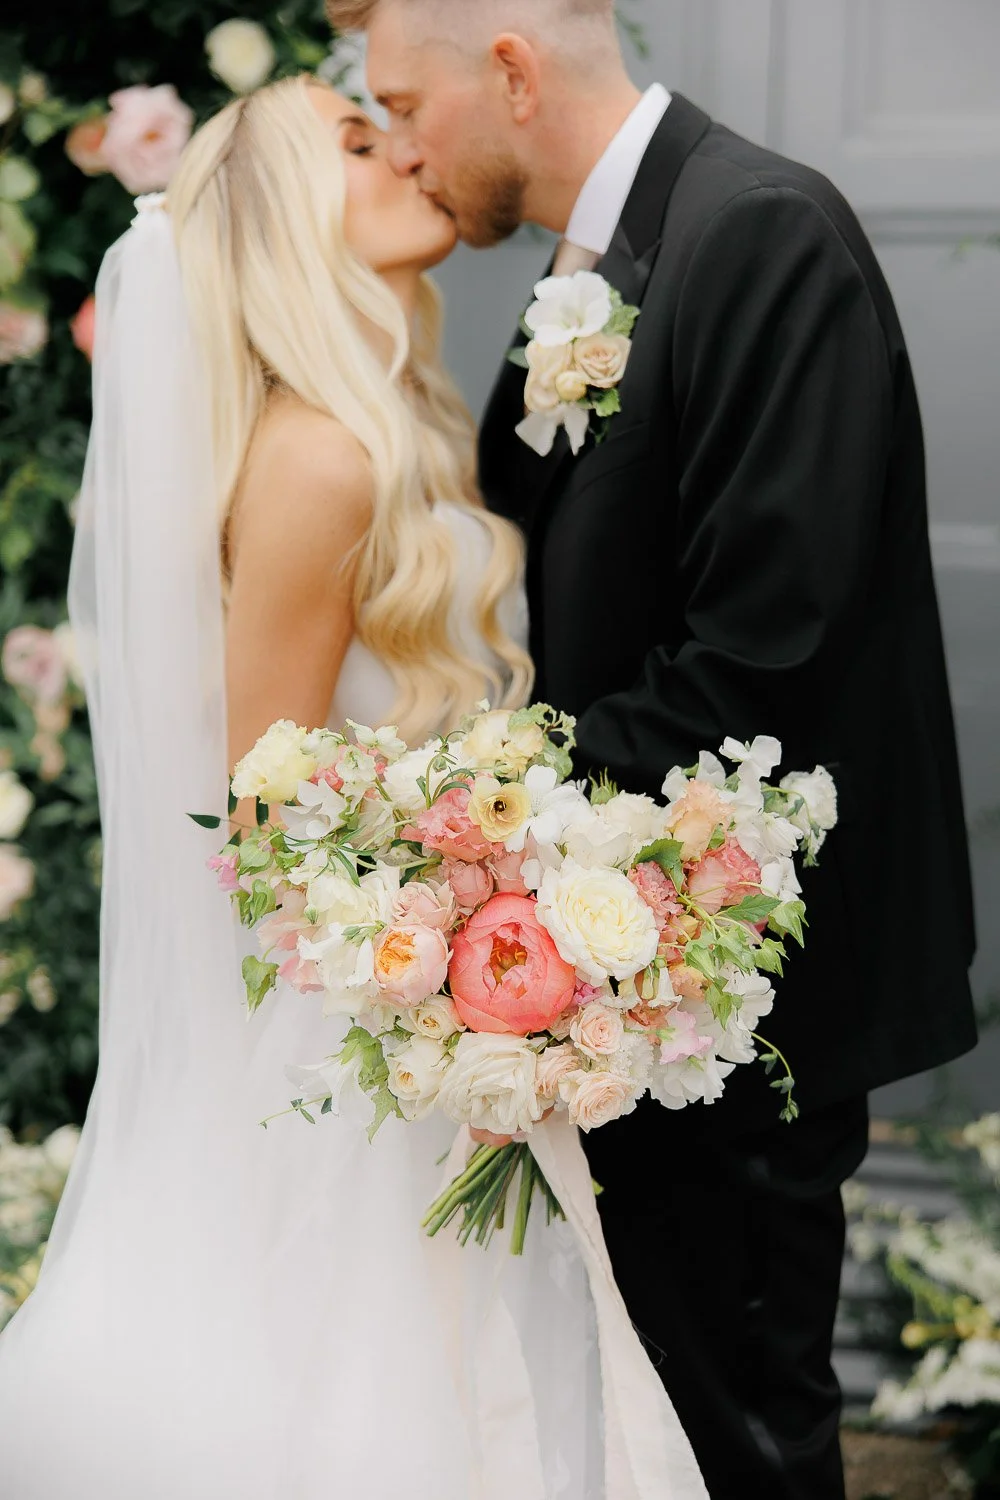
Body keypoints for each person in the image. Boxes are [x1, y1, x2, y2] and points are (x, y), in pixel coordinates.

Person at [0, 76, 709, 1500]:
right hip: (361, 1041)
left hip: (412, 1013)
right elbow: (263, 813)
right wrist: (477, 959)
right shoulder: (319, 456)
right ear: (276, 217)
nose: (403, 147)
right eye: (353, 138)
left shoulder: (389, 417)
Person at [334, 0, 981, 1495]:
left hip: (742, 997)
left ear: (508, 69)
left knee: (737, 1423)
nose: (407, 149)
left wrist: (449, 805)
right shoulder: (599, 256)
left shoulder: (761, 234)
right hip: (614, 974)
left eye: (406, 104)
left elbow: (757, 665)